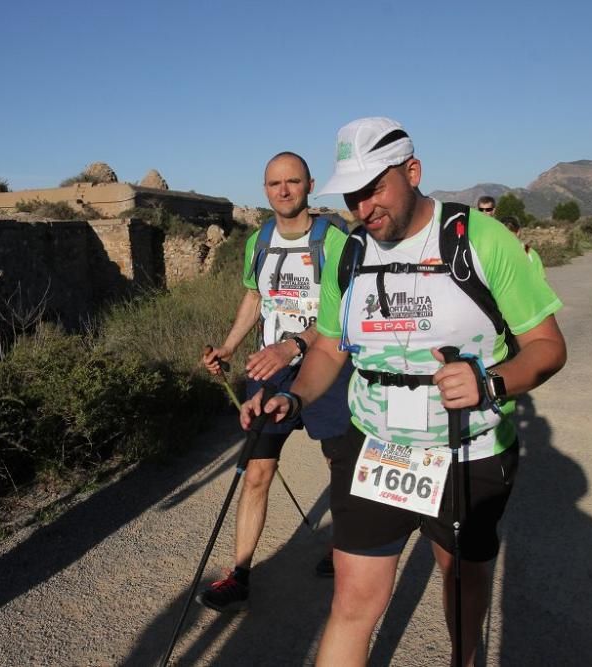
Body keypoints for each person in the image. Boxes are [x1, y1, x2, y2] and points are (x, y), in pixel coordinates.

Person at [240, 117, 566, 666]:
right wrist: (294, 396)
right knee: (352, 600)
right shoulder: (349, 252)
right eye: (352, 195)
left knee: (461, 588)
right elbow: (327, 348)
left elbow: (547, 346)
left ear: (413, 172)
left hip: (467, 449)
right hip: (377, 448)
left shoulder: (479, 239)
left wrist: (491, 382)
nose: (363, 207)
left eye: (375, 189)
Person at [198, 151, 354, 612]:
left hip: (325, 365)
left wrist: (296, 344)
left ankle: (343, 548)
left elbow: (344, 315)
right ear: (264, 189)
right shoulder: (259, 240)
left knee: (337, 463)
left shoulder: (336, 241)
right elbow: (255, 295)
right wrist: (229, 346)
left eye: (292, 181)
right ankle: (239, 573)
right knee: (256, 472)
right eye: (273, 184)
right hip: (269, 368)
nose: (283, 191)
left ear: (309, 184)